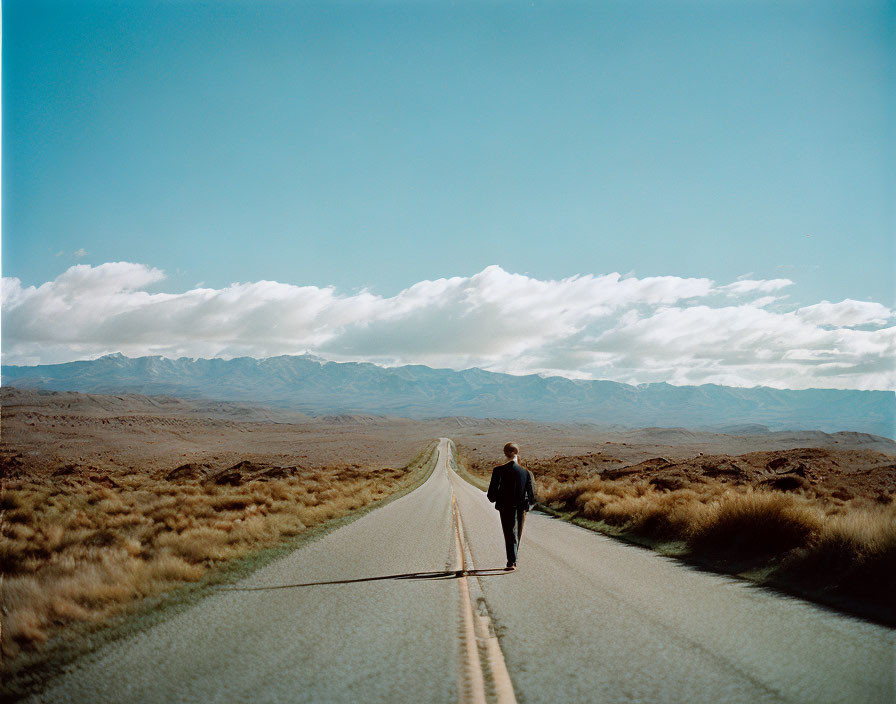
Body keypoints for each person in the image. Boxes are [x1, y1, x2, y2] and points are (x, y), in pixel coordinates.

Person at [486, 442, 535, 570]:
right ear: (517, 453)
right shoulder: (526, 472)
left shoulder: (498, 470)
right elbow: (531, 495)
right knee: (517, 532)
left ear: (505, 453)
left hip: (505, 506)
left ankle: (511, 561)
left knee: (509, 532)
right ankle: (514, 559)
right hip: (521, 506)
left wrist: (498, 498)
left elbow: (491, 494)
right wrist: (528, 504)